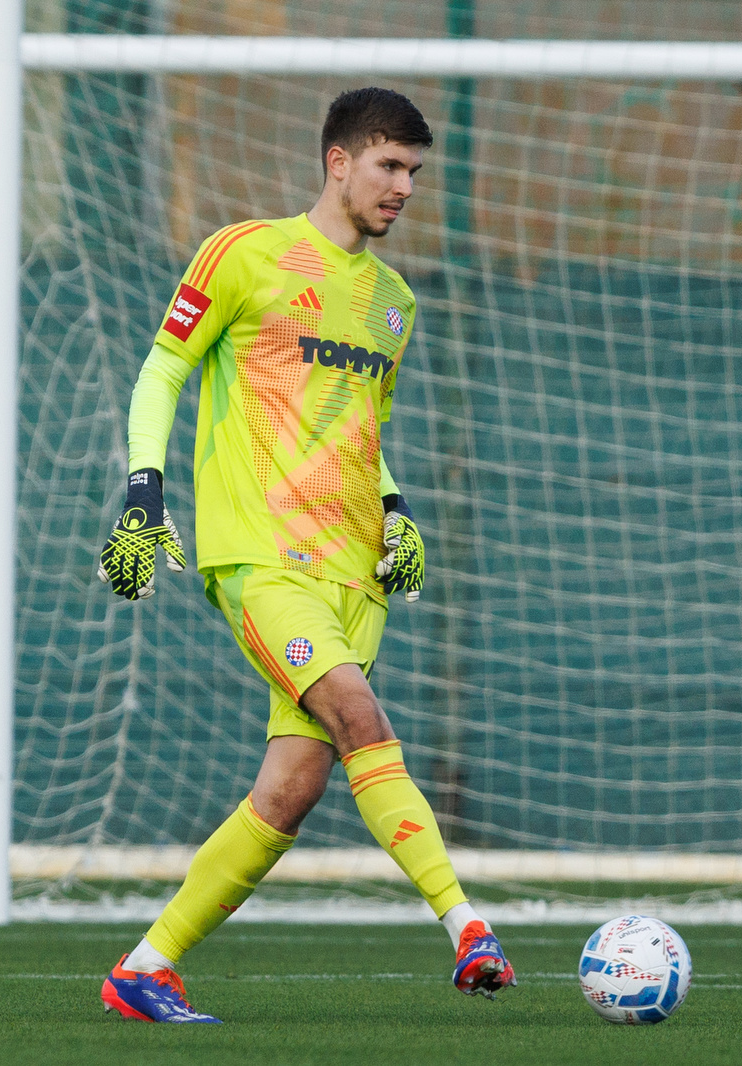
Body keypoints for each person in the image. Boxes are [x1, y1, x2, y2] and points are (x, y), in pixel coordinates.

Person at [93, 87, 514, 1023]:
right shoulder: (246, 254)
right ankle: (466, 926)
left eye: (414, 172)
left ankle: (145, 969)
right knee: (362, 717)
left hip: (354, 576)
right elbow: (164, 368)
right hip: (259, 560)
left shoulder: (395, 304)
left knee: (289, 791)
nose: (405, 188)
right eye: (389, 167)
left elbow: (363, 432)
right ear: (338, 161)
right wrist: (143, 489)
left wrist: (397, 508)